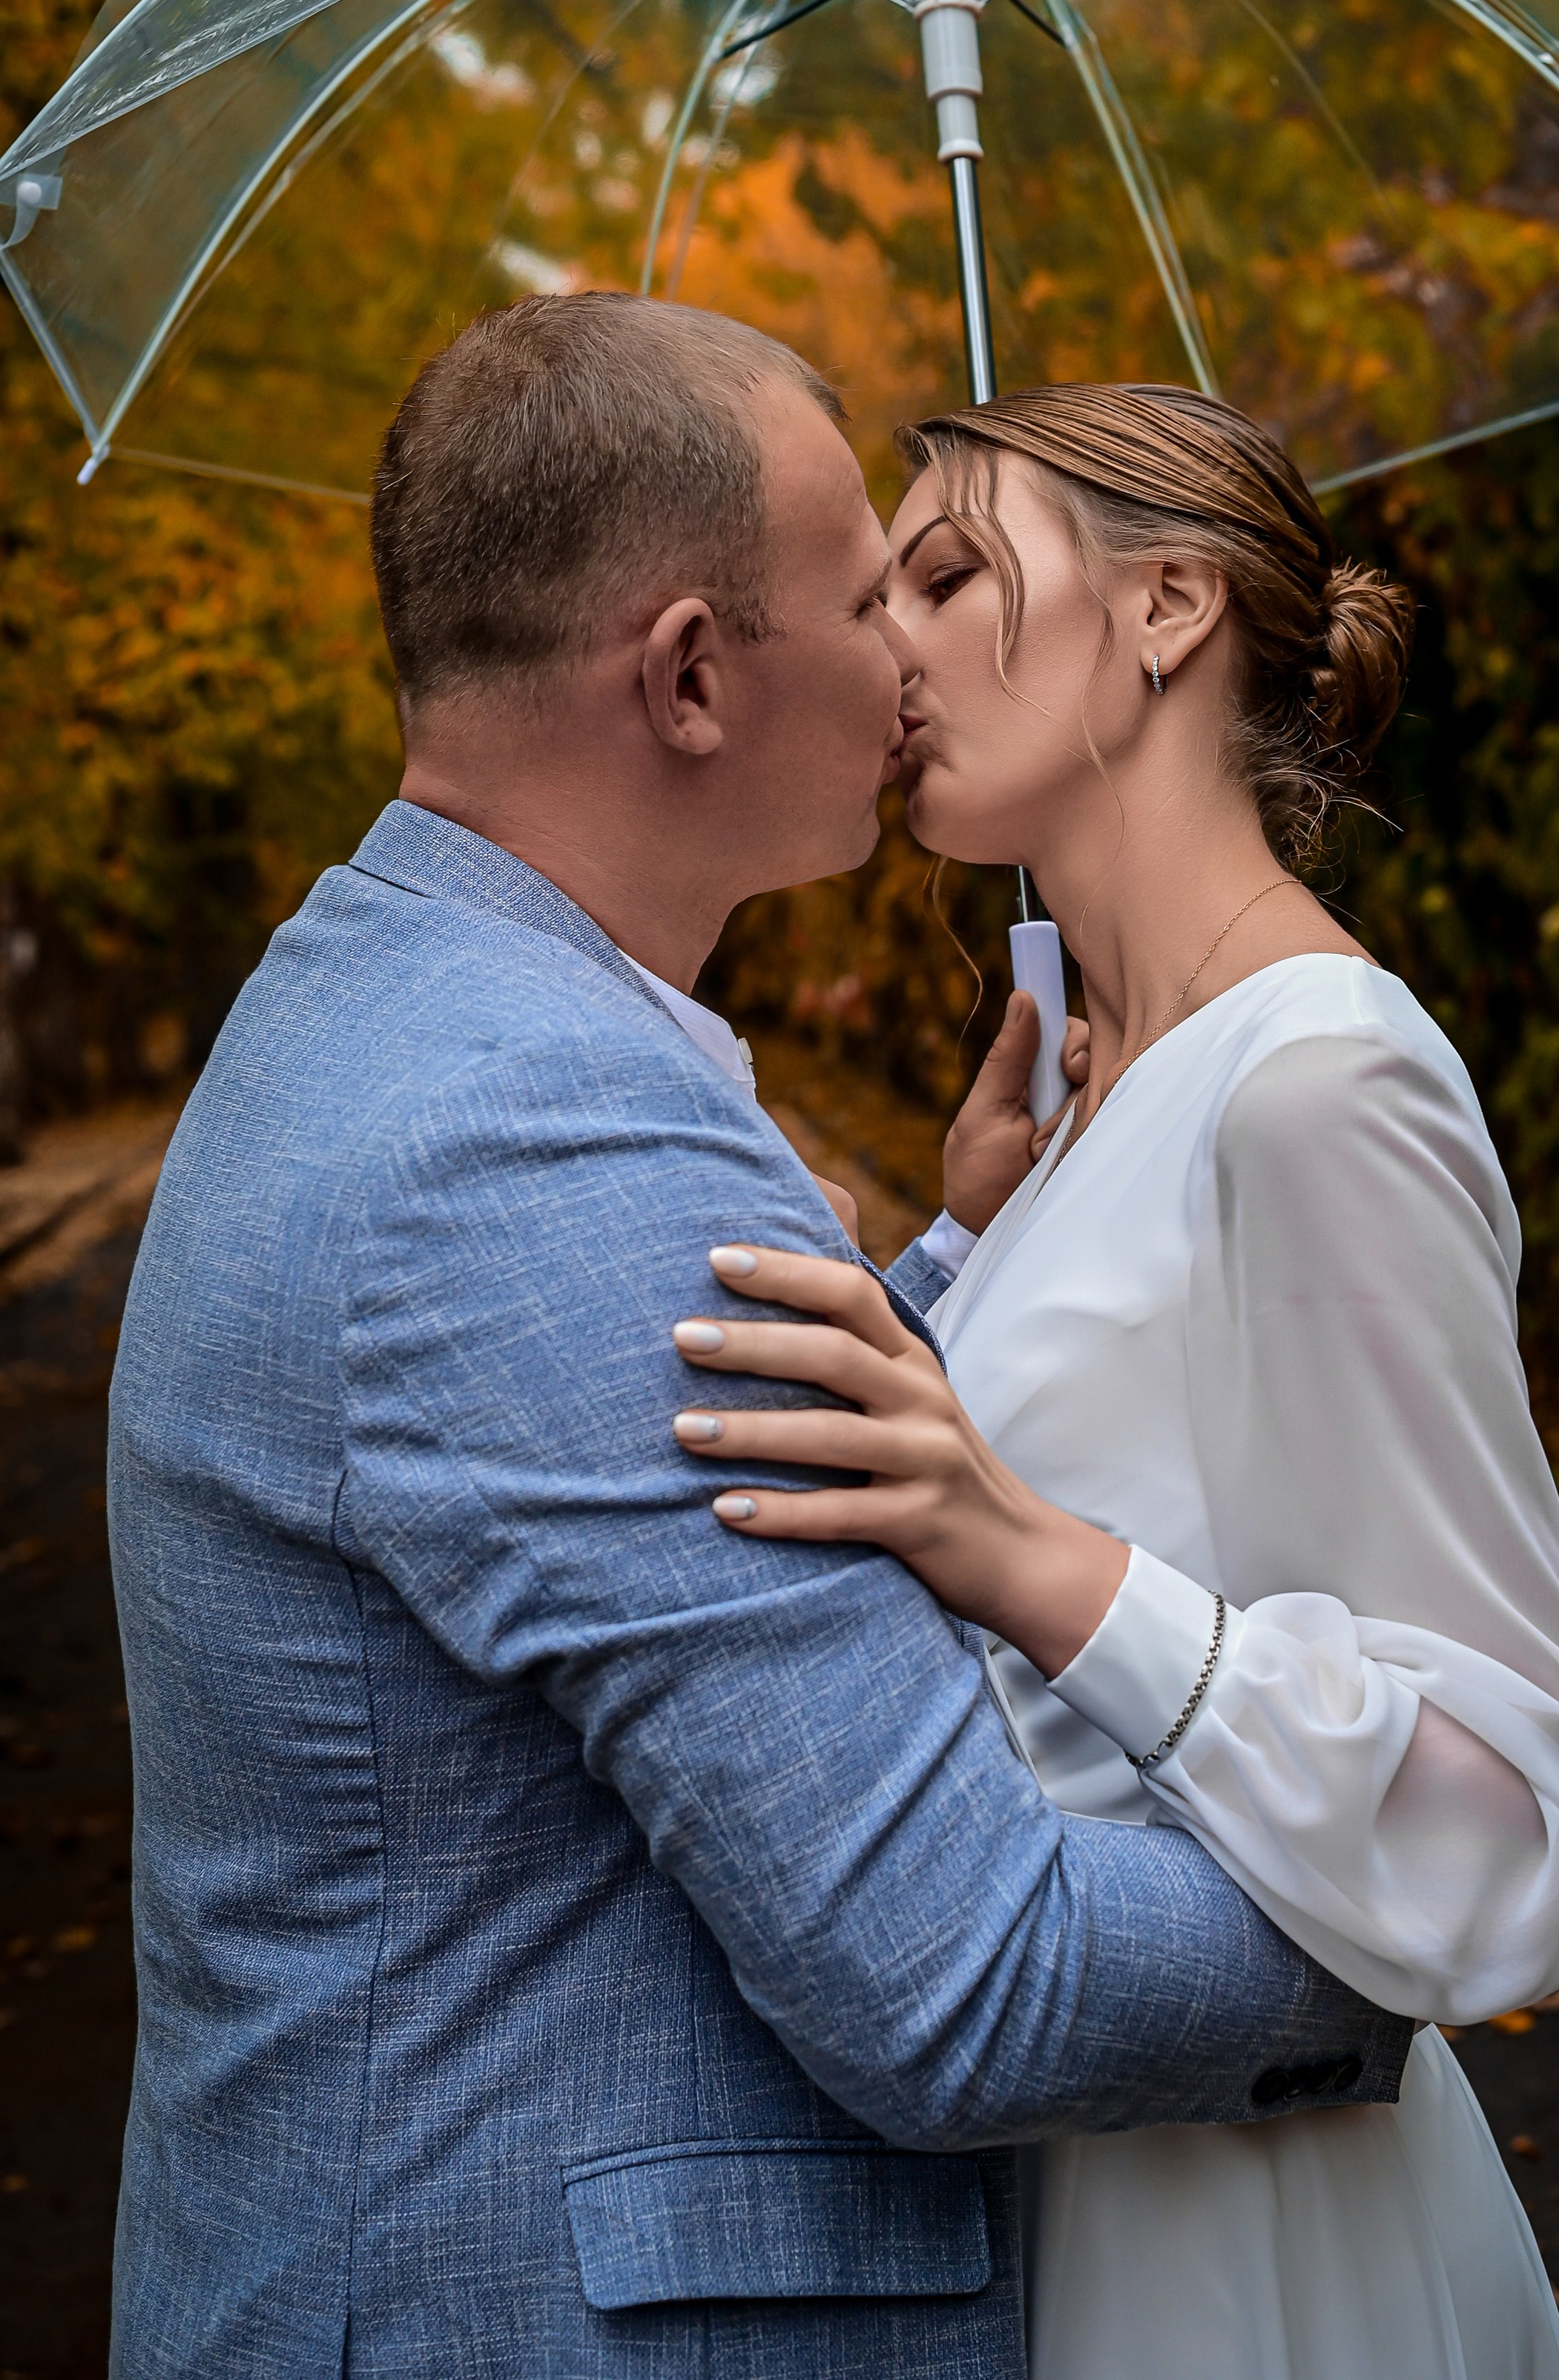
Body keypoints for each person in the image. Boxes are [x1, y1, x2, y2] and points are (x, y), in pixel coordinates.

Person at [105, 304, 1413, 2380]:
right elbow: (968, 1980)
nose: (912, 652)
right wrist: (1416, 1924)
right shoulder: (541, 1139)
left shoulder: (385, 990)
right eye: (868, 594)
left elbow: (604, 1518)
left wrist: (956, 1263)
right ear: (695, 675)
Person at [664, 382, 1559, 2380]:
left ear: (1170, 604)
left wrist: (1034, 1559)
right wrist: (963, 1251)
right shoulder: (1100, 1115)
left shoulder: (1324, 1082)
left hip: (1249, 2253)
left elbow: (1526, 1836)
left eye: (945, 574)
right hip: (1052, 2181)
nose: (887, 642)